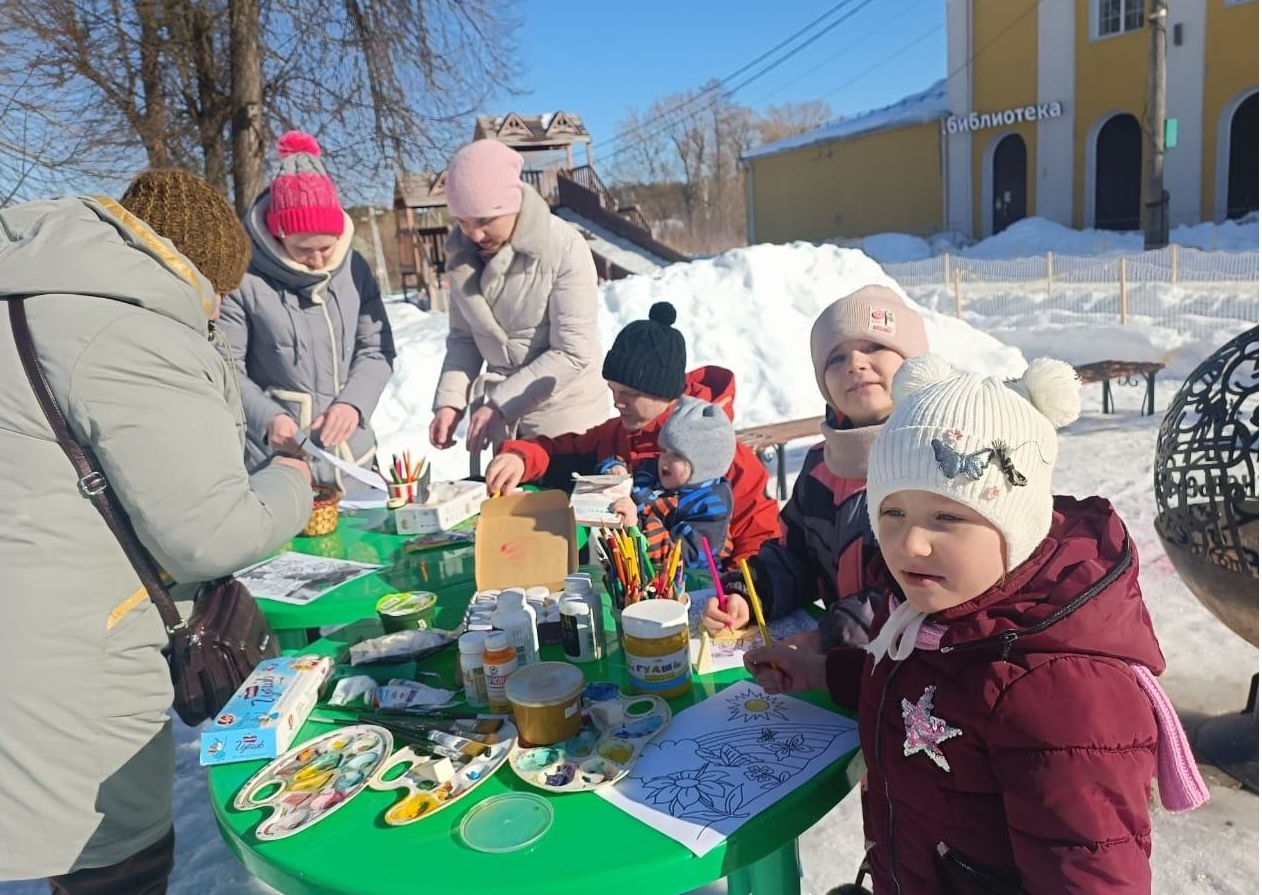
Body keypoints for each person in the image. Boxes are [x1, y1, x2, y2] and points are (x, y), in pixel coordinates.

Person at [745, 355, 1209, 895]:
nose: (911, 543)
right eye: (893, 513)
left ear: (1018, 526)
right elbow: (913, 682)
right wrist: (823, 672)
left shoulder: (1057, 693)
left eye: (948, 517)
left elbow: (1092, 881)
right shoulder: (944, 614)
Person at [0, 170, 313, 893]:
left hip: (28, 642)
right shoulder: (125, 324)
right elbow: (210, 530)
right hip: (70, 662)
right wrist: (294, 479)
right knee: (117, 865)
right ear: (194, 270)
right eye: (219, 293)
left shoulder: (37, 292)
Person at [704, 286, 929, 645]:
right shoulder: (820, 465)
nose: (855, 363)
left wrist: (829, 640)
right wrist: (749, 596)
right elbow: (796, 559)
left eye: (874, 347)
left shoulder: (936, 463)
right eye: (836, 359)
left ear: (915, 364)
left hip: (920, 678)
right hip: (838, 671)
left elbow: (918, 594)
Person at [484, 301, 780, 565]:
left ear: (664, 393)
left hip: (705, 600)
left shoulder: (722, 452)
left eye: (630, 393)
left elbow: (761, 536)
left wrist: (741, 591)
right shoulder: (618, 434)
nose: (617, 401)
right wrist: (521, 457)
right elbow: (560, 450)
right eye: (613, 390)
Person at [219, 131, 396, 489]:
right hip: (277, 461)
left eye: (326, 248)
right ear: (278, 234)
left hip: (351, 459)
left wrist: (352, 405)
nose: (316, 259)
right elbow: (226, 367)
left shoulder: (355, 269)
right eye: (303, 249)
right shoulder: (244, 279)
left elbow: (376, 349)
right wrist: (268, 418)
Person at [429, 138, 608, 458]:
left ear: (513, 205)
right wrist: (450, 401)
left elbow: (572, 352)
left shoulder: (564, 246)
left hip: (567, 421)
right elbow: (464, 340)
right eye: (463, 221)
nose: (475, 235)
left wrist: (500, 403)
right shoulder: (461, 255)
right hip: (504, 426)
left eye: (485, 221)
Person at [608, 396, 737, 570]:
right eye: (663, 450)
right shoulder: (653, 471)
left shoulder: (711, 505)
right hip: (632, 563)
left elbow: (684, 555)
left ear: (704, 465)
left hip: (685, 584)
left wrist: (637, 527)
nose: (664, 459)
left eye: (676, 454)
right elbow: (623, 464)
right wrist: (616, 469)